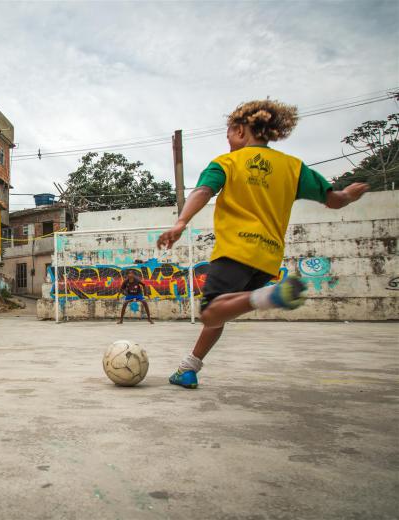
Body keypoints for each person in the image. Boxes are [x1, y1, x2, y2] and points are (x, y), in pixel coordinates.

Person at [156, 99, 369, 389]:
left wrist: (181, 222)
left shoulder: (227, 163)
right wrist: (350, 194)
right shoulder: (294, 168)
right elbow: (335, 200)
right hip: (267, 259)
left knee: (210, 311)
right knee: (221, 313)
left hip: (235, 251)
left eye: (229, 134)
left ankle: (270, 296)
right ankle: (188, 368)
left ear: (241, 130)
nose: (228, 141)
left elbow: (204, 190)